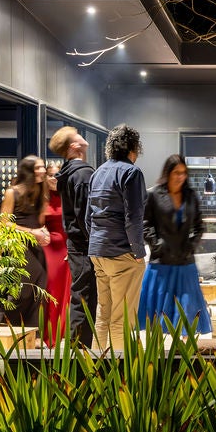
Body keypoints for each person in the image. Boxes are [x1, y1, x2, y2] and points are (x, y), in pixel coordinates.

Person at [86, 124, 147, 351]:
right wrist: (138, 252)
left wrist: (95, 245)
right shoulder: (131, 172)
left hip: (98, 252)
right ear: (133, 148)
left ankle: (97, 372)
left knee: (104, 315)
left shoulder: (98, 173)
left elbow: (88, 217)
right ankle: (124, 379)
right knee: (123, 319)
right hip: (122, 253)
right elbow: (134, 217)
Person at [139, 154, 211, 335]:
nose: (180, 177)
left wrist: (190, 246)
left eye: (184, 173)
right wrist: (156, 245)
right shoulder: (153, 194)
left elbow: (199, 225)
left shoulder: (191, 196)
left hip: (185, 263)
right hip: (161, 264)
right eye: (176, 172)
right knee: (157, 318)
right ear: (168, 173)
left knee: (186, 316)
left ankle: (183, 355)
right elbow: (145, 225)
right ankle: (160, 356)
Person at [49, 125, 97, 346]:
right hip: (85, 246)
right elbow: (85, 215)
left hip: (75, 244)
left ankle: (77, 347)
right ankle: (78, 349)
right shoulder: (83, 174)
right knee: (85, 297)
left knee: (79, 294)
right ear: (74, 146)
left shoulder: (68, 173)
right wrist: (95, 244)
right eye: (78, 135)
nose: (83, 137)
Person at [0, 155, 51, 327]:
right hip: (19, 246)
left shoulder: (40, 192)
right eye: (38, 167)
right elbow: (3, 224)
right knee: (24, 291)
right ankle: (11, 328)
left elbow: (41, 221)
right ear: (28, 171)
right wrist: (31, 232)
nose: (43, 170)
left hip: (36, 247)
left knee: (40, 287)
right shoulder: (12, 192)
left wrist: (43, 233)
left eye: (43, 167)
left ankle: (34, 333)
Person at [42, 161, 71, 344]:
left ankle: (61, 335)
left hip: (65, 249)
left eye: (56, 175)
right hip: (47, 250)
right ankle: (47, 336)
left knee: (64, 292)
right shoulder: (41, 198)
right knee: (50, 290)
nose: (53, 178)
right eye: (50, 175)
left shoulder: (68, 197)